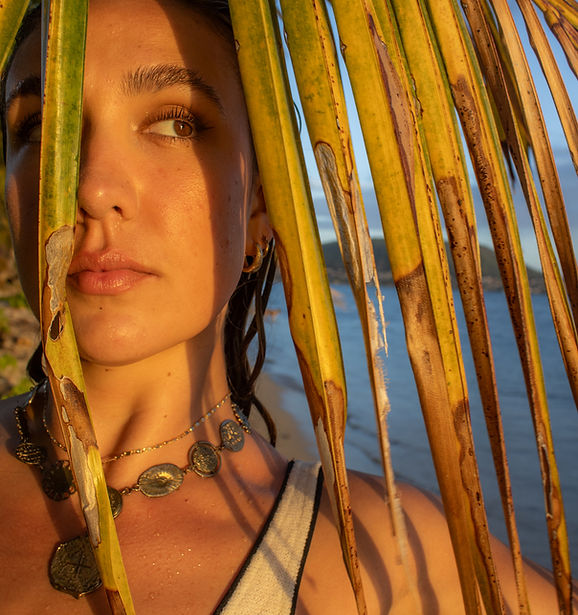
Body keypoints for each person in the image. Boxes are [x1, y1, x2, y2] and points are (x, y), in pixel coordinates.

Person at [0, 1, 565, 613]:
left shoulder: (388, 564)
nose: (91, 187)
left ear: (259, 207)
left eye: (175, 124)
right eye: (40, 129)